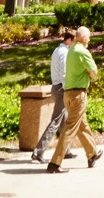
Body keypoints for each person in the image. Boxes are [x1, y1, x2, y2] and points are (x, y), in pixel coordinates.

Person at [47, 26, 104, 174]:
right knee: (70, 128)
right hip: (78, 94)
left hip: (68, 94)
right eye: (89, 37)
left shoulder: (71, 50)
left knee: (82, 125)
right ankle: (54, 163)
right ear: (84, 37)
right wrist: (89, 73)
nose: (90, 40)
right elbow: (94, 73)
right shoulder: (83, 52)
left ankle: (92, 154)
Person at [32, 29, 79, 162]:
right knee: (56, 121)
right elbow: (65, 73)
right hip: (61, 88)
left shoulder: (57, 50)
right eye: (74, 41)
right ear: (69, 40)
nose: (75, 44)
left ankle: (66, 150)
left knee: (65, 120)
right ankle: (38, 152)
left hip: (56, 87)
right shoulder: (64, 53)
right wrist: (68, 88)